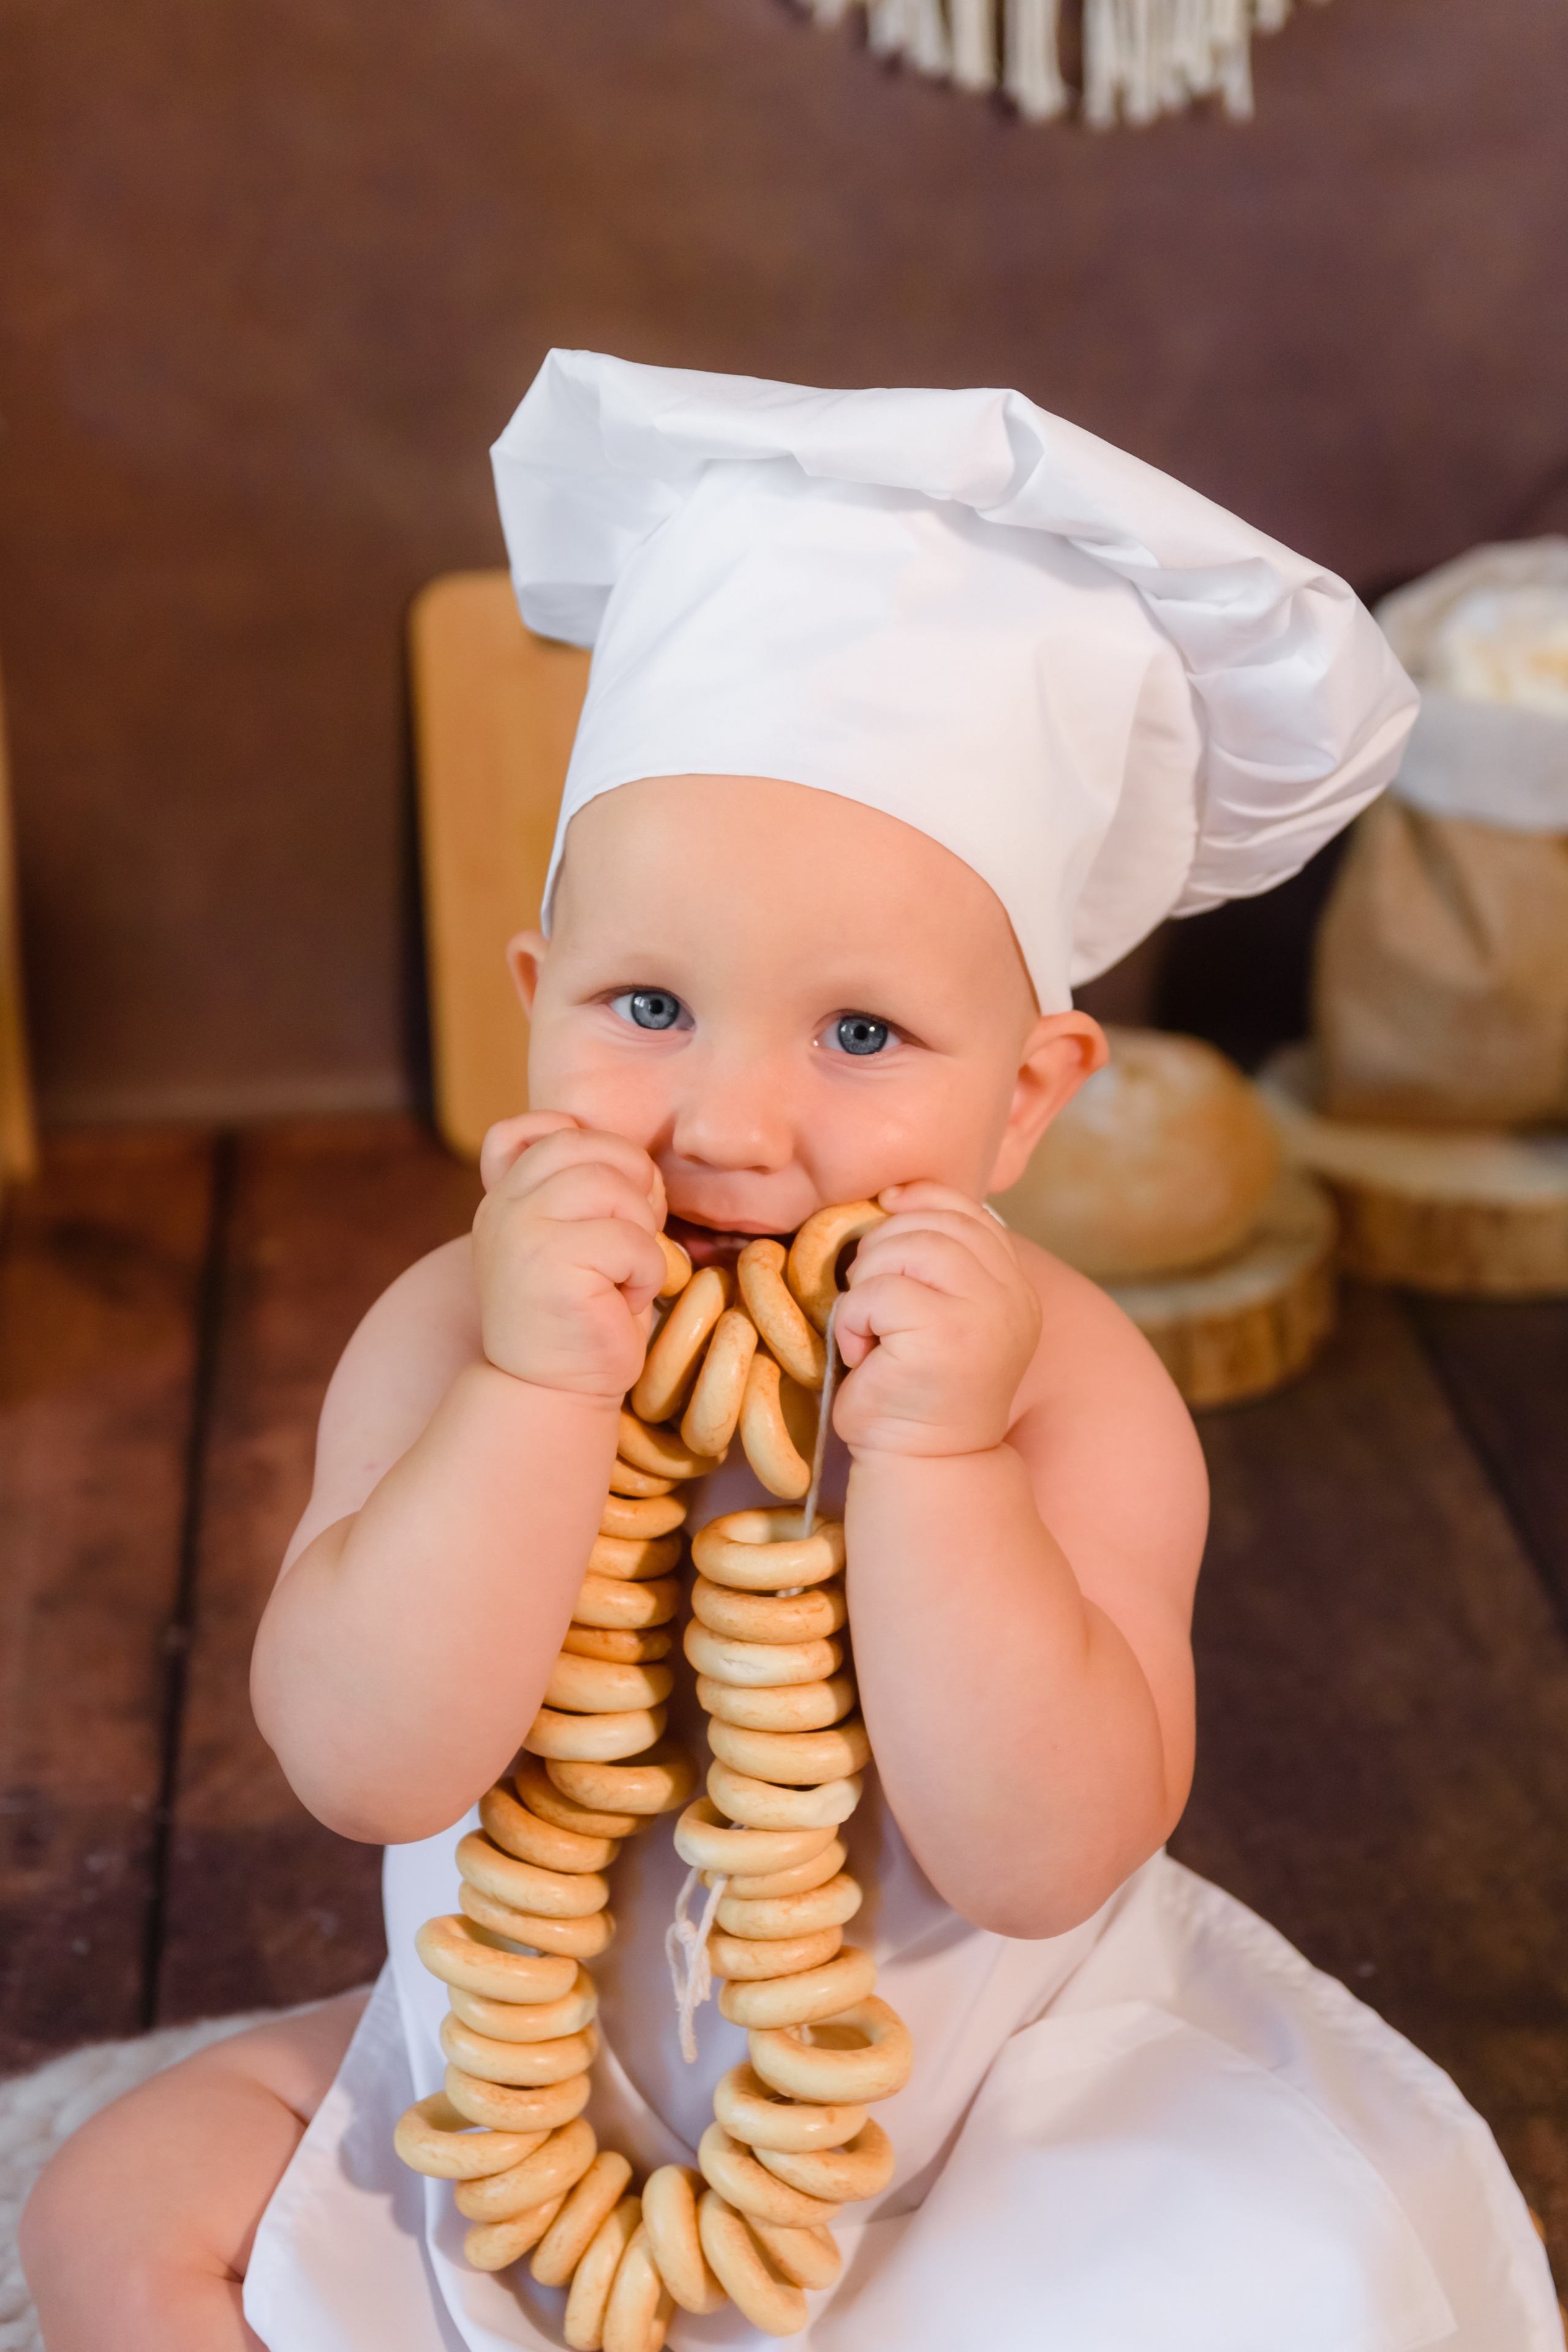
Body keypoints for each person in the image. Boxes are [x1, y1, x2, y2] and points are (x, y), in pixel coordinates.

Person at [22, 355, 1559, 2351]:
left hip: (970, 2111)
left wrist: (932, 1467)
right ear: (533, 996)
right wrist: (530, 1399)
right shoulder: (453, 1323)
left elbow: (1039, 1857)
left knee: (1294, 2279)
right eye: (646, 1003)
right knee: (112, 2216)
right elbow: (360, 1760)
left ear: (1030, 1097)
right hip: (517, 2073)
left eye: (860, 1038)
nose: (731, 1125)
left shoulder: (1072, 1388)